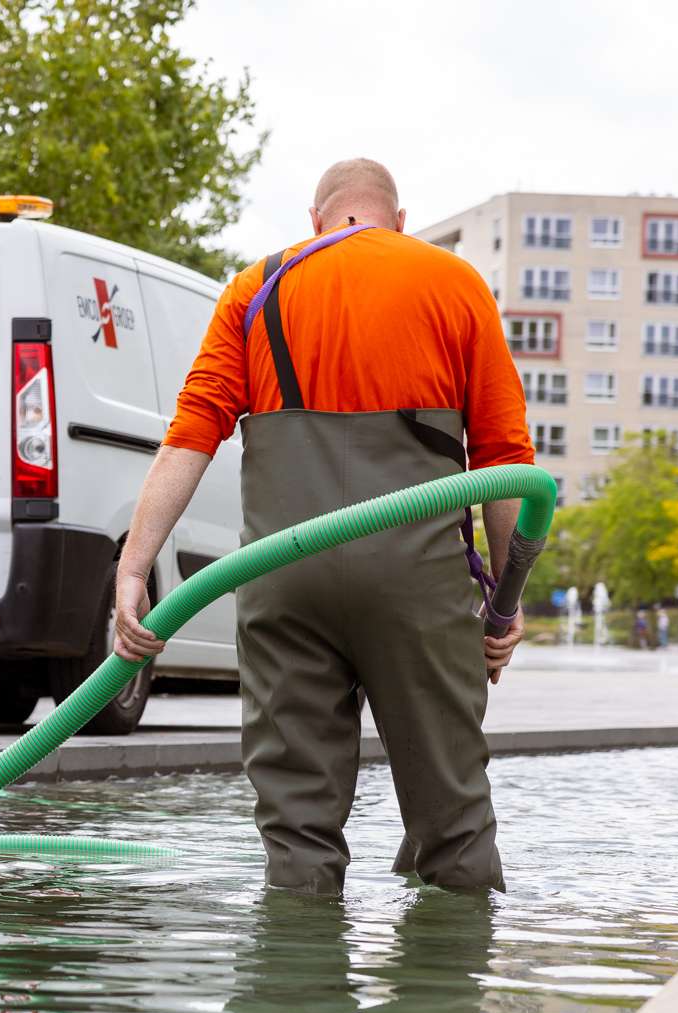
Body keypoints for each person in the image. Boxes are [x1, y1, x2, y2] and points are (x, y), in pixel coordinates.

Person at [111, 158, 531, 893]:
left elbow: (189, 438)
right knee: (453, 818)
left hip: (283, 580)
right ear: (399, 221)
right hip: (417, 585)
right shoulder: (453, 282)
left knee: (296, 832)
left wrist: (134, 567)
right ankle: (448, 989)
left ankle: (294, 993)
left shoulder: (256, 287)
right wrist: (504, 602)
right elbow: (505, 459)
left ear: (317, 220)